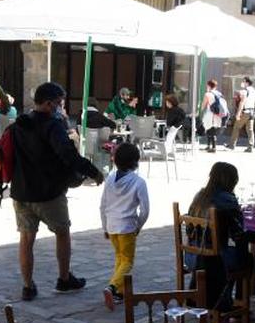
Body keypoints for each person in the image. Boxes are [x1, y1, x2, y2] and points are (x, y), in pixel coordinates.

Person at [9, 81, 103, 301]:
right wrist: (93, 172)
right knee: (62, 233)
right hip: (48, 192)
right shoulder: (53, 126)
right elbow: (68, 155)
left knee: (26, 239)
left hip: (21, 191)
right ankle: (63, 279)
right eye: (60, 103)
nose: (62, 107)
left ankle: (27, 286)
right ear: (50, 104)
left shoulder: (19, 124)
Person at [187, 162, 249, 311]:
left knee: (237, 256)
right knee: (246, 258)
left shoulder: (200, 196)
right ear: (231, 181)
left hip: (192, 256)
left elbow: (189, 230)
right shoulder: (227, 200)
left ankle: (224, 298)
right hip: (214, 260)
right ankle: (229, 301)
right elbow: (238, 234)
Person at [100, 142, 150, 309]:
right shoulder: (139, 182)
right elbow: (145, 210)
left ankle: (119, 293)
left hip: (112, 225)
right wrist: (139, 226)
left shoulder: (109, 178)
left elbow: (103, 205)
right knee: (127, 261)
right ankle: (112, 286)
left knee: (119, 258)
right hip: (127, 227)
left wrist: (104, 227)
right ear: (136, 161)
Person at [226, 77, 255, 152]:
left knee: (236, 127)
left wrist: (238, 113)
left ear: (247, 82)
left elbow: (242, 102)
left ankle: (231, 145)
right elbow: (254, 102)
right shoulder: (254, 91)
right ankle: (250, 146)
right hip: (252, 112)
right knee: (250, 130)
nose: (242, 83)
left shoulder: (244, 91)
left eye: (243, 81)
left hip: (245, 111)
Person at [200, 80, 226, 152]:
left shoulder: (208, 94)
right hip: (218, 114)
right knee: (213, 130)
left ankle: (212, 147)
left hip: (210, 114)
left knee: (209, 130)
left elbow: (203, 105)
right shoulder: (219, 94)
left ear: (208, 86)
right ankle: (210, 146)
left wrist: (199, 111)